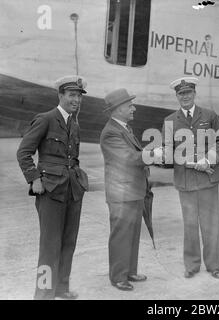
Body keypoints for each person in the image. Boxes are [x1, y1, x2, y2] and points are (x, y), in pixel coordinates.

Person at [16, 75, 89, 300]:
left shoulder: (74, 123)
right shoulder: (46, 119)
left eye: (78, 96)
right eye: (71, 95)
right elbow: (24, 152)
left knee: (69, 242)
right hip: (50, 191)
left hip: (73, 190)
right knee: (49, 246)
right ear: (60, 95)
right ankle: (44, 294)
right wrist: (34, 179)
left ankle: (61, 289)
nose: (76, 100)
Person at [161, 77, 219, 279]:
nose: (185, 97)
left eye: (188, 93)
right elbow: (168, 150)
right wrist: (175, 157)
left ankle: (214, 265)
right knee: (190, 224)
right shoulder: (170, 121)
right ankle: (192, 265)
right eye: (181, 94)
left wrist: (209, 160)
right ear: (177, 96)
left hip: (208, 178)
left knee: (210, 223)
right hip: (186, 180)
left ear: (194, 94)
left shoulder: (209, 115)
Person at [100, 88, 151, 291]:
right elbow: (129, 158)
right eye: (130, 105)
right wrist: (153, 153)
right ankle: (118, 276)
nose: (134, 108)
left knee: (133, 233)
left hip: (132, 191)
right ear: (118, 109)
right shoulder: (111, 132)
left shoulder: (124, 128)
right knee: (121, 234)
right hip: (121, 194)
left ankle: (129, 270)